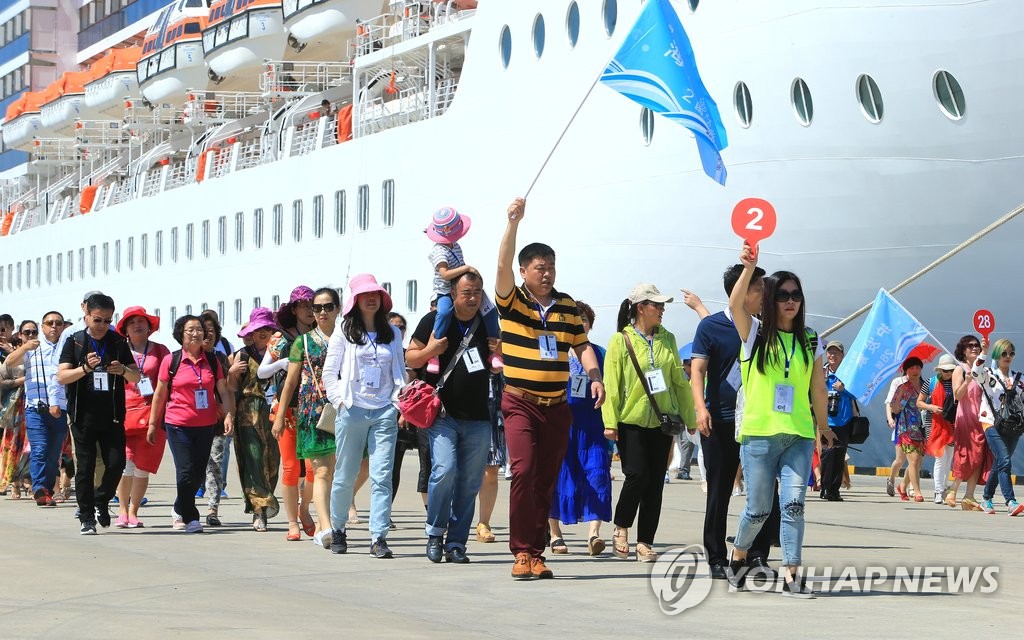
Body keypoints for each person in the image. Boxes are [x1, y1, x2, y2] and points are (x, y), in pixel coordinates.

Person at [495, 197, 604, 580]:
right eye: (540, 268)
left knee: (545, 478)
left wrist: (594, 377)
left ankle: (536, 552)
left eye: (551, 267)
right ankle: (520, 551)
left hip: (557, 406)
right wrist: (513, 224)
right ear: (524, 271)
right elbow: (501, 265)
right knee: (523, 471)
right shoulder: (512, 301)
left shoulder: (567, 305)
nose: (547, 274)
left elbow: (582, 345)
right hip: (520, 402)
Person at [725, 243, 833, 598]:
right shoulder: (755, 334)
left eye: (796, 295)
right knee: (758, 510)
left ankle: (792, 573)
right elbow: (735, 305)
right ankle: (738, 554)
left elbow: (817, 388)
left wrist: (824, 426)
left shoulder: (811, 339)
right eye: (783, 295)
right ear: (770, 299)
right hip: (759, 434)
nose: (791, 301)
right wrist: (749, 267)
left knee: (794, 505)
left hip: (799, 435)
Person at [690, 265, 779, 580]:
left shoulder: (764, 329)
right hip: (720, 420)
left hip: (756, 422)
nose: (763, 296)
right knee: (719, 490)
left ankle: (757, 556)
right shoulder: (711, 327)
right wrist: (701, 408)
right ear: (739, 291)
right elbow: (698, 370)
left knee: (764, 490)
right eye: (758, 289)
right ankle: (715, 556)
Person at [406, 271, 497, 563]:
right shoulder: (433, 321)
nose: (473, 298)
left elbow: (498, 362)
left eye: (478, 292)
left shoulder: (487, 323)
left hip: (479, 416)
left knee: (470, 482)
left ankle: (457, 542)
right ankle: (435, 533)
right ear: (453, 295)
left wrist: (501, 357)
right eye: (467, 292)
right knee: (443, 471)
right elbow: (410, 358)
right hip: (443, 414)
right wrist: (432, 350)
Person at [602, 285, 695, 562]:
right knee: (637, 475)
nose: (662, 309)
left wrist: (690, 418)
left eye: (663, 305)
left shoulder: (668, 338)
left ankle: (645, 541)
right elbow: (612, 384)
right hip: (630, 421)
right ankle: (621, 528)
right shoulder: (621, 340)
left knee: (655, 482)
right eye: (657, 305)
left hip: (662, 422)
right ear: (641, 307)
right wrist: (610, 421)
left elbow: (679, 383)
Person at [324, 274, 405, 559]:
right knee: (345, 474)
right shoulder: (343, 331)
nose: (371, 298)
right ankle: (338, 528)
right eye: (365, 294)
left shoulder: (392, 334)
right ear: (355, 300)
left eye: (376, 294)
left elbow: (400, 371)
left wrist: (396, 403)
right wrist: (341, 402)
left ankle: (378, 536)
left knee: (382, 476)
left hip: (384, 410)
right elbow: (329, 373)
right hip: (352, 409)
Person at [57, 293, 142, 534]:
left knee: (117, 463)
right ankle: (86, 517)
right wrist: (85, 368)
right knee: (85, 467)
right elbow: (62, 376)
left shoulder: (117, 342)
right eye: (98, 320)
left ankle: (101, 500)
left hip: (112, 415)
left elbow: (136, 376)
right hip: (82, 416)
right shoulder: (75, 342)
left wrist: (123, 369)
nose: (103, 325)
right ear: (86, 317)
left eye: (107, 320)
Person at [147, 316, 235, 533]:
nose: (196, 334)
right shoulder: (172, 360)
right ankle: (191, 516)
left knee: (197, 474)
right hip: (177, 424)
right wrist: (152, 423)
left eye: (199, 330)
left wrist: (228, 415)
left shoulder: (213, 361)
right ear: (181, 335)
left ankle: (178, 508)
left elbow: (223, 390)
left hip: (205, 425)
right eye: (190, 330)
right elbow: (160, 394)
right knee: (185, 471)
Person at [272, 288, 342, 547]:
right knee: (322, 470)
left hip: (345, 410)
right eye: (317, 307)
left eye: (328, 306)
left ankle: (326, 516)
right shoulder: (303, 342)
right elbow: (290, 383)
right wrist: (280, 416)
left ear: (338, 308)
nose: (322, 312)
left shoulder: (348, 338)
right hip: (313, 413)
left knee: (340, 472)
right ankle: (326, 527)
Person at [547, 300, 611, 556]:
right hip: (560, 423)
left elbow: (612, 388)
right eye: (576, 319)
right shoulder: (556, 351)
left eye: (584, 320)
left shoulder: (599, 353)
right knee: (558, 478)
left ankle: (594, 534)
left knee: (598, 474)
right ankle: (554, 533)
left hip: (592, 424)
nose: (581, 323)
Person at [262, 286, 317, 541]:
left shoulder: (321, 336)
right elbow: (262, 372)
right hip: (286, 411)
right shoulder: (279, 338)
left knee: (315, 468)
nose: (310, 311)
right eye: (304, 305)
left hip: (314, 410)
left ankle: (305, 510)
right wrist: (282, 363)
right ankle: (292, 522)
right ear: (294, 309)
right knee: (291, 467)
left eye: (313, 306)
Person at [425, 206, 502, 373]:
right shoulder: (438, 251)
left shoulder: (456, 246)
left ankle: (495, 353)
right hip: (445, 290)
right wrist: (468, 268)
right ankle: (434, 353)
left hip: (462, 286)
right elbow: (445, 274)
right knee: (444, 313)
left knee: (490, 311)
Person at [114, 307, 170, 527]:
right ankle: (121, 510)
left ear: (149, 327)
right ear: (125, 329)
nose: (137, 325)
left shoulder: (161, 351)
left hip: (152, 414)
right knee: (125, 464)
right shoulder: (119, 351)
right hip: (124, 412)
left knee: (143, 466)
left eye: (141, 321)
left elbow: (168, 381)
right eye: (132, 322)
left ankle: (134, 511)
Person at [3, 315, 66, 506]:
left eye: (58, 323)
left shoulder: (67, 347)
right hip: (35, 408)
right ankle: (39, 489)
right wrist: (24, 347)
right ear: (43, 326)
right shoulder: (33, 347)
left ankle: (45, 488)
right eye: (49, 323)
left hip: (60, 409)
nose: (54, 326)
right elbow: (10, 363)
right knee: (39, 449)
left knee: (54, 454)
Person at [227, 308, 282, 532]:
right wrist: (231, 373)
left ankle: (264, 500)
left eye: (266, 329)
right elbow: (231, 389)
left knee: (272, 462)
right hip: (248, 412)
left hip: (275, 412)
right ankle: (259, 511)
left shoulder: (280, 352)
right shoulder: (242, 355)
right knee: (252, 461)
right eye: (258, 329)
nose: (262, 333)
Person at [972, 338, 1024, 516]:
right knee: (1005, 461)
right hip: (990, 422)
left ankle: (986, 498)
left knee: (1000, 462)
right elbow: (975, 373)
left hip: (1013, 426)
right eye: (1004, 353)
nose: (1008, 356)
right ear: (997, 355)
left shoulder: (1019, 378)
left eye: (1011, 353)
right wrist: (983, 352)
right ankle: (1010, 501)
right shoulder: (988, 374)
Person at [949, 334, 991, 511]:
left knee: (979, 457)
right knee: (965, 455)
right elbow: (957, 396)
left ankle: (969, 496)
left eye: (976, 346)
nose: (974, 348)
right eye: (970, 346)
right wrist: (967, 381)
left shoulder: (983, 369)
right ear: (963, 351)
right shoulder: (960, 369)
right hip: (965, 418)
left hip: (981, 419)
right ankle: (953, 490)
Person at [198, 313, 232, 525]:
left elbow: (228, 390)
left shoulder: (220, 359)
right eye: (203, 330)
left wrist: (229, 415)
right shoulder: (184, 358)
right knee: (193, 464)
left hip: (217, 418)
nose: (208, 334)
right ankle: (184, 506)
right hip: (191, 419)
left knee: (215, 464)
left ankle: (212, 509)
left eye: (212, 330)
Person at [917, 354, 957, 504]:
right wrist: (931, 407)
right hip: (934, 425)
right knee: (941, 459)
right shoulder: (930, 382)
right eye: (945, 370)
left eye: (951, 370)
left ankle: (945, 488)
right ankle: (938, 491)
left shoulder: (956, 383)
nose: (948, 373)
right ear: (939, 370)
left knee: (949, 460)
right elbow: (919, 403)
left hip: (952, 425)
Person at [820, 341, 857, 501]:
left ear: (842, 356)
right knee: (827, 455)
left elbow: (857, 394)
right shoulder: (821, 372)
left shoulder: (849, 374)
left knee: (839, 455)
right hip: (827, 420)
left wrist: (844, 389)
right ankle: (825, 487)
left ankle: (835, 490)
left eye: (836, 353)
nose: (832, 356)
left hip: (843, 420)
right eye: (830, 352)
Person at [889, 358, 926, 502]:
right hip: (907, 427)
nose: (915, 371)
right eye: (911, 368)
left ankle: (903, 486)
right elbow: (894, 407)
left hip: (922, 427)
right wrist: (899, 400)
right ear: (906, 370)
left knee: (919, 461)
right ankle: (917, 492)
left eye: (917, 368)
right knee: (913, 460)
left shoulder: (925, 386)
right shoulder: (903, 387)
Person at [0, 322, 29, 500]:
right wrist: (23, 380)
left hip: (30, 407)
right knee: (12, 445)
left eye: (34, 332)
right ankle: (12, 483)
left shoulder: (35, 354)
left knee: (29, 447)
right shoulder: (9, 357)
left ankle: (28, 481)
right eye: (27, 332)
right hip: (11, 408)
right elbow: (2, 382)